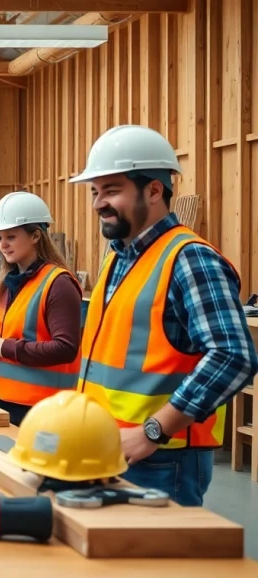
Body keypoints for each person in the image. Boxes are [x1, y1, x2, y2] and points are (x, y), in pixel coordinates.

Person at [72, 124, 258, 506]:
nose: (98, 204)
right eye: (95, 192)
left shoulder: (189, 258)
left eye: (111, 190)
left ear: (154, 191)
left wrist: (153, 431)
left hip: (160, 458)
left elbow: (234, 355)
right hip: (107, 447)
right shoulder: (117, 259)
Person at [0, 192, 83, 426]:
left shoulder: (58, 284)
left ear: (35, 236)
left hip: (42, 409)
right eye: (0, 237)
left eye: (11, 237)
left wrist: (5, 348)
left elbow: (65, 348)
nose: (3, 245)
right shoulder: (7, 282)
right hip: (1, 400)